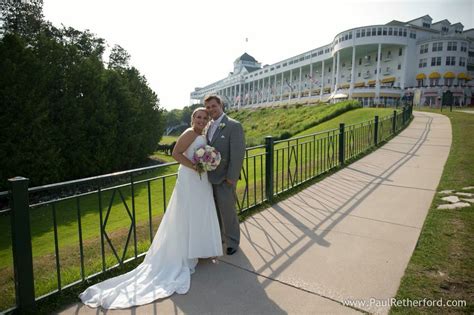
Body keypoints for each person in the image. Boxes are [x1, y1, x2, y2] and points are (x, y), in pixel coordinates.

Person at [79, 108, 222, 309]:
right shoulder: (189, 133)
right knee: (186, 216)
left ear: (208, 120)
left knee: (199, 214)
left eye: (204, 118)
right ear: (193, 119)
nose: (201, 120)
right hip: (190, 179)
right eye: (198, 117)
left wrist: (207, 163)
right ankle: (184, 253)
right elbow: (176, 153)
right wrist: (195, 166)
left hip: (200, 180)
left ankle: (197, 249)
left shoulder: (202, 135)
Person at [204, 95, 246, 256]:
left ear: (221, 105)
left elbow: (238, 154)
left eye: (214, 106)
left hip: (225, 178)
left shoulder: (234, 125)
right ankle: (221, 237)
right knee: (215, 211)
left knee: (228, 211)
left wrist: (232, 177)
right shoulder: (208, 126)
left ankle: (233, 242)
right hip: (210, 177)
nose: (211, 109)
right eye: (208, 107)